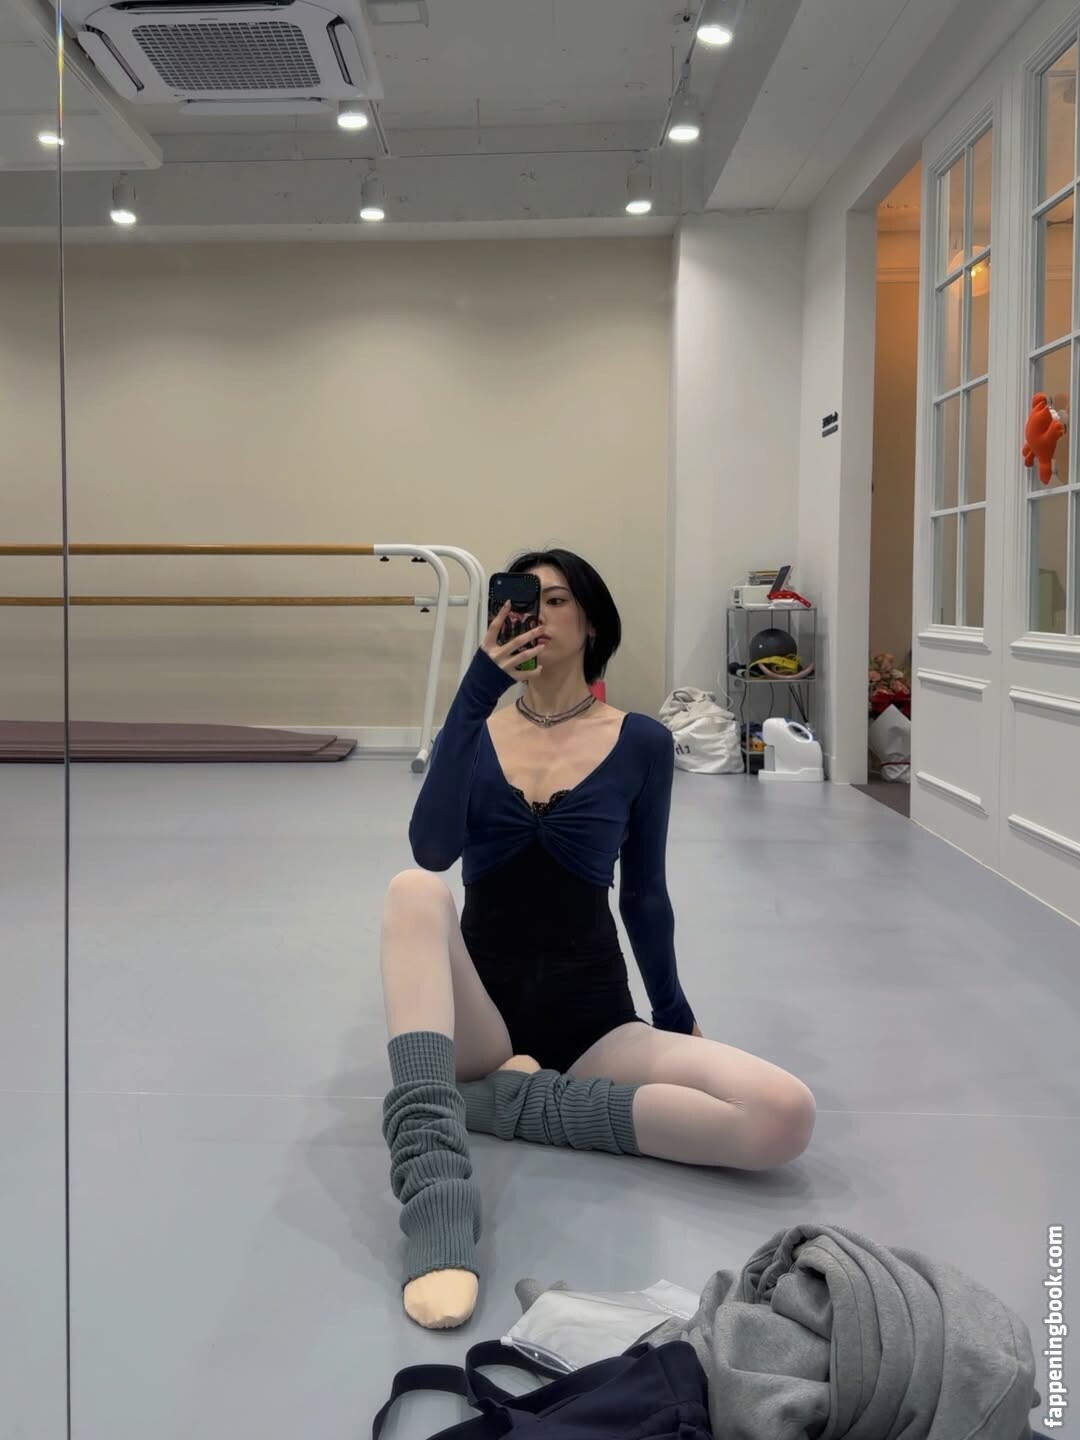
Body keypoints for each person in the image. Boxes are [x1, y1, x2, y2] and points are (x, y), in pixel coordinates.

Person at [379, 549, 816, 1331]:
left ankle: (500, 1105)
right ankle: (438, 1204)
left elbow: (644, 893)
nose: (534, 615)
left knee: (783, 1113)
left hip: (595, 1024)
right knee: (412, 892)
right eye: (521, 601)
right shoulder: (475, 728)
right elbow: (431, 849)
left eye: (554, 600)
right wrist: (473, 696)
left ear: (591, 622)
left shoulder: (641, 741)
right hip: (483, 1021)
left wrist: (674, 1014)